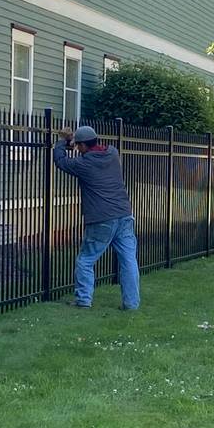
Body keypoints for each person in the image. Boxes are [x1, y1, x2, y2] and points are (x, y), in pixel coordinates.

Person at [53, 125, 140, 310]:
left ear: (83, 146)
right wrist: (74, 141)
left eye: (78, 146)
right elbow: (89, 150)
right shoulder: (113, 154)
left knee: (85, 260)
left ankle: (83, 300)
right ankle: (131, 304)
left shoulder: (84, 164)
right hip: (124, 214)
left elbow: (60, 161)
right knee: (129, 261)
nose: (77, 149)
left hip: (101, 218)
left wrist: (63, 141)